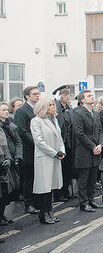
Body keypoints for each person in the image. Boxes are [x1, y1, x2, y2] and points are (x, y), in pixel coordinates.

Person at [30, 97, 66, 224]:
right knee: (44, 187)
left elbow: (59, 138)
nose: (53, 107)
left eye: (53, 104)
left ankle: (50, 211)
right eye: (50, 105)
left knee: (51, 186)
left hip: (55, 156)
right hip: (44, 157)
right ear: (43, 107)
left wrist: (61, 151)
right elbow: (39, 141)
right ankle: (43, 213)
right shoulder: (36, 121)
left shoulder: (54, 120)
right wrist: (54, 152)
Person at [73, 90, 103, 212]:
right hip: (85, 151)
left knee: (93, 178)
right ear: (82, 100)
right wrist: (93, 146)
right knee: (84, 179)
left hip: (96, 150)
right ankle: (83, 202)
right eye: (89, 96)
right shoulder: (78, 113)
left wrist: (100, 144)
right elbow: (79, 133)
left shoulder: (95, 113)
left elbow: (100, 130)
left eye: (92, 95)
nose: (92, 97)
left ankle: (91, 199)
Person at [15, 86, 40, 214]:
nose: (37, 95)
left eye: (38, 93)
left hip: (38, 150)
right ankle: (28, 204)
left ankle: (37, 202)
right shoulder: (22, 111)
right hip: (29, 150)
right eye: (34, 94)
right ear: (27, 96)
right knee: (28, 178)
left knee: (37, 177)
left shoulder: (38, 109)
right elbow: (22, 131)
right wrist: (37, 143)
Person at [0, 105, 21, 226]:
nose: (6, 111)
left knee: (6, 190)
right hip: (1, 163)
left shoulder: (7, 127)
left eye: (7, 109)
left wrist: (9, 157)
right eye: (3, 109)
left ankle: (2, 215)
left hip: (6, 161)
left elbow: (6, 146)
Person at [53, 85, 74, 202]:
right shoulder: (56, 107)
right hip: (61, 142)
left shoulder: (68, 108)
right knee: (60, 169)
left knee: (68, 169)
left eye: (68, 95)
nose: (67, 97)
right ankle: (59, 193)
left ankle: (66, 189)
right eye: (65, 95)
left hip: (69, 142)